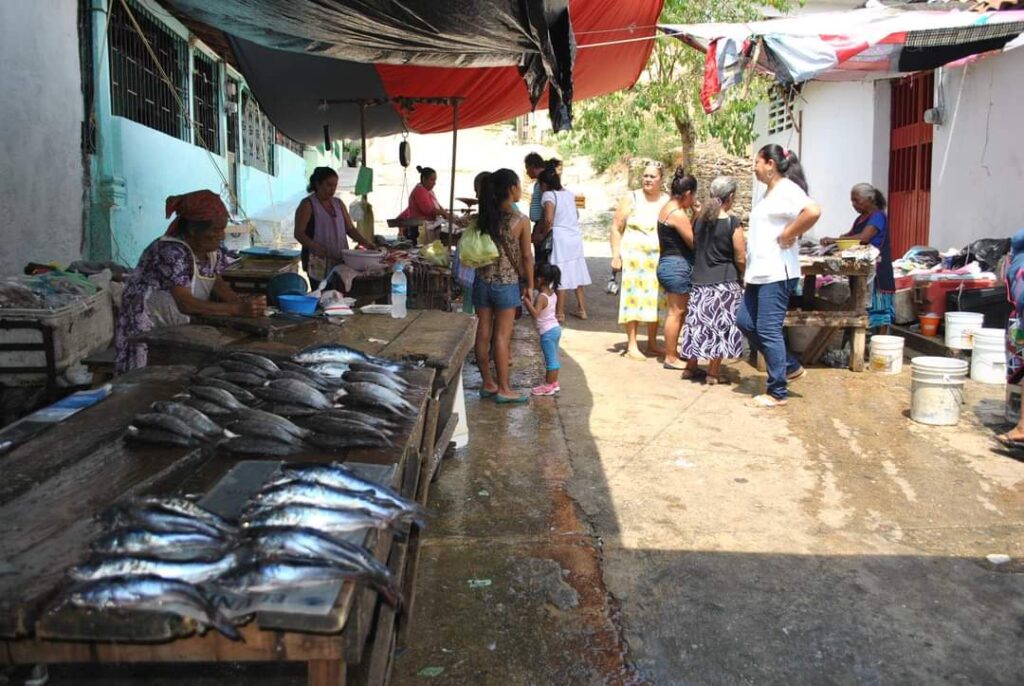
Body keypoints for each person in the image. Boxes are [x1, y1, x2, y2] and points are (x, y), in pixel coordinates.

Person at [114, 190, 265, 373]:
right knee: (144, 379)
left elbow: (216, 283)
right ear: (194, 230)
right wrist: (237, 309)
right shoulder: (171, 252)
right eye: (216, 230)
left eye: (223, 228)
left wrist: (244, 304)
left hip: (174, 321)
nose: (222, 235)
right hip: (146, 321)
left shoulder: (209, 250)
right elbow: (186, 303)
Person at [737, 144, 821, 408]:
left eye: (757, 162)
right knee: (745, 321)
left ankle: (777, 391)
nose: (754, 166)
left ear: (770, 164)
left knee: (768, 329)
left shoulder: (787, 189)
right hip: (759, 272)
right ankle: (789, 366)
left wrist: (788, 234)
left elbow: (813, 211)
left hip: (777, 271)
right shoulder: (769, 193)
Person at [474, 168, 535, 404]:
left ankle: (487, 383)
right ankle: (504, 389)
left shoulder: (483, 218)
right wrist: (529, 284)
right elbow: (527, 257)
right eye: (519, 185)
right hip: (506, 284)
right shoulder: (520, 220)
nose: (521, 189)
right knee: (502, 336)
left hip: (482, 282)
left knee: (483, 333)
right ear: (511, 189)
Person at [681, 176, 747, 384]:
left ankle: (690, 368)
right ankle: (713, 372)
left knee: (697, 324)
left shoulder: (699, 219)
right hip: (724, 283)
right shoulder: (732, 223)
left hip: (700, 281)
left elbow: (694, 244)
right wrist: (743, 274)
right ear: (731, 197)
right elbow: (740, 256)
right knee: (719, 326)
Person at [610, 161, 669, 361]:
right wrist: (616, 255)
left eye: (652, 176)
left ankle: (652, 342)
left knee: (656, 301)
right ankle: (632, 345)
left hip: (657, 259)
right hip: (634, 259)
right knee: (633, 300)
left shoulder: (666, 201)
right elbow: (616, 227)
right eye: (645, 176)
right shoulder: (631, 198)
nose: (648, 179)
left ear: (661, 179)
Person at [820, 183, 895, 330]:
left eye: (857, 201)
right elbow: (849, 236)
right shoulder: (860, 219)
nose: (854, 205)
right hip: (861, 269)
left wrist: (835, 240)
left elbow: (864, 237)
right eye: (852, 201)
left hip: (878, 270)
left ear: (869, 199)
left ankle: (877, 340)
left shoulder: (878, 216)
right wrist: (836, 240)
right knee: (859, 305)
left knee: (878, 309)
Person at [294, 166, 373, 290]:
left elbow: (350, 229)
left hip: (340, 259)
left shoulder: (338, 203)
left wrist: (366, 243)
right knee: (322, 295)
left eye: (335, 185)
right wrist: (314, 246)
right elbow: (299, 233)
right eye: (329, 185)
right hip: (317, 262)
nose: (332, 189)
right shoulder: (307, 204)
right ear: (318, 184)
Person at [656, 168, 698, 370]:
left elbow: (683, 233)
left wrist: (696, 215)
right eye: (694, 195)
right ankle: (671, 357)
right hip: (677, 266)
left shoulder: (667, 207)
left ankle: (673, 352)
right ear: (688, 194)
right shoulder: (678, 213)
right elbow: (693, 242)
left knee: (677, 312)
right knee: (676, 312)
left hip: (669, 264)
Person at [539, 163, 590, 321]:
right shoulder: (568, 193)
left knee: (559, 271)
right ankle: (582, 309)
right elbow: (575, 214)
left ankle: (559, 313)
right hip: (574, 236)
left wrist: (543, 235)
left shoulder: (548, 195)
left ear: (545, 184)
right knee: (575, 271)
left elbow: (548, 219)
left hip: (560, 237)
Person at [521, 263, 563, 396]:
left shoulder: (542, 298)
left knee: (551, 360)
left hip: (547, 332)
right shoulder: (552, 294)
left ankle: (548, 385)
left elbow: (535, 313)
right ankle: (554, 383)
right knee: (553, 357)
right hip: (555, 328)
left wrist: (525, 300)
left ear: (540, 279)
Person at [396, 165, 466, 243]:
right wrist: (444, 214)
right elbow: (429, 210)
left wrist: (447, 215)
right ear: (424, 179)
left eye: (435, 180)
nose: (434, 183)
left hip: (429, 227)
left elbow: (438, 206)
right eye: (432, 180)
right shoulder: (420, 191)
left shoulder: (429, 191)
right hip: (418, 229)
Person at [524, 152, 550, 265]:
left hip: (541, 224)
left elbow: (546, 208)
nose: (527, 172)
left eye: (527, 168)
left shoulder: (544, 183)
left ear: (533, 166)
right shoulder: (538, 183)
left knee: (541, 259)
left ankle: (541, 280)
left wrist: (539, 231)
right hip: (539, 223)